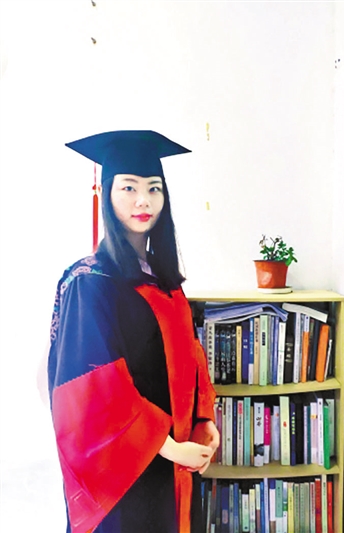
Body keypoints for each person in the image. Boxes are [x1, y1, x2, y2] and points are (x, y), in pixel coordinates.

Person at [47, 130, 219, 533]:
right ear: (106, 193)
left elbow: (191, 356)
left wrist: (204, 420)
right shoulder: (89, 282)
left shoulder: (166, 281)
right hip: (127, 475)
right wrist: (170, 447)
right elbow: (92, 391)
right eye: (129, 187)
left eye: (154, 188)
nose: (144, 200)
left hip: (178, 460)